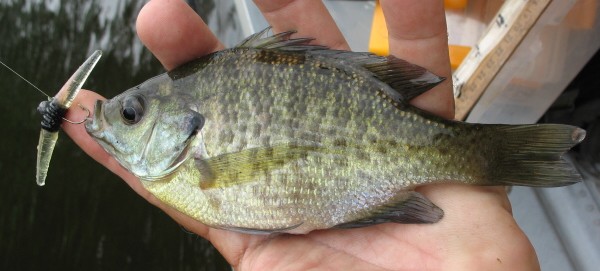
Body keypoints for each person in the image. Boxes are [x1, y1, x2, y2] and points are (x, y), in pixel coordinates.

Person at [63, 0, 540, 270]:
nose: (117, 117)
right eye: (131, 113)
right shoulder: (181, 171)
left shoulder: (185, 174)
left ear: (184, 122)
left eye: (131, 114)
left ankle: (488, 154)